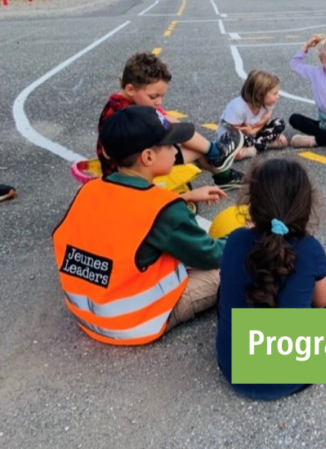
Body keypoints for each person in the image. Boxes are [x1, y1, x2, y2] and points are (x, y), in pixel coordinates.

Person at [53, 106, 228, 345]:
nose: (175, 150)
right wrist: (240, 237)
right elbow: (210, 255)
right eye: (170, 145)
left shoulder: (90, 189)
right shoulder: (163, 208)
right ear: (148, 157)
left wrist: (183, 198)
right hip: (132, 322)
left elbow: (128, 216)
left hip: (87, 310)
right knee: (229, 267)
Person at [216, 159, 326, 400]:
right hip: (288, 377)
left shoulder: (235, 239)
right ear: (306, 206)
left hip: (232, 367)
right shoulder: (310, 249)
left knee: (227, 290)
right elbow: (323, 301)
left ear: (252, 204)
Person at [97, 52, 244, 191]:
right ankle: (219, 161)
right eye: (153, 97)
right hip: (130, 168)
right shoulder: (126, 113)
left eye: (162, 96)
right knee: (197, 150)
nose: (159, 101)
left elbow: (166, 120)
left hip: (133, 159)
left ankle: (217, 158)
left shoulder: (128, 104)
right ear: (130, 89)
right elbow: (164, 126)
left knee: (185, 136)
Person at [218, 70, 287, 160]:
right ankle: (262, 145)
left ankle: (254, 148)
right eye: (275, 93)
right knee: (238, 137)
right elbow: (234, 132)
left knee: (279, 123)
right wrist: (251, 132)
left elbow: (266, 118)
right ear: (259, 94)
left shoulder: (268, 104)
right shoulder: (237, 107)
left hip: (253, 134)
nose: (278, 96)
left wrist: (254, 130)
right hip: (234, 137)